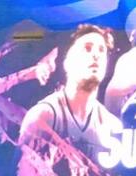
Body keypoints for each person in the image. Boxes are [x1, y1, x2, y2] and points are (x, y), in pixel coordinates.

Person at [19, 25, 119, 164]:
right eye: (87, 48)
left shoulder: (114, 127)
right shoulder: (43, 116)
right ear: (67, 62)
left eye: (101, 50)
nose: (96, 55)